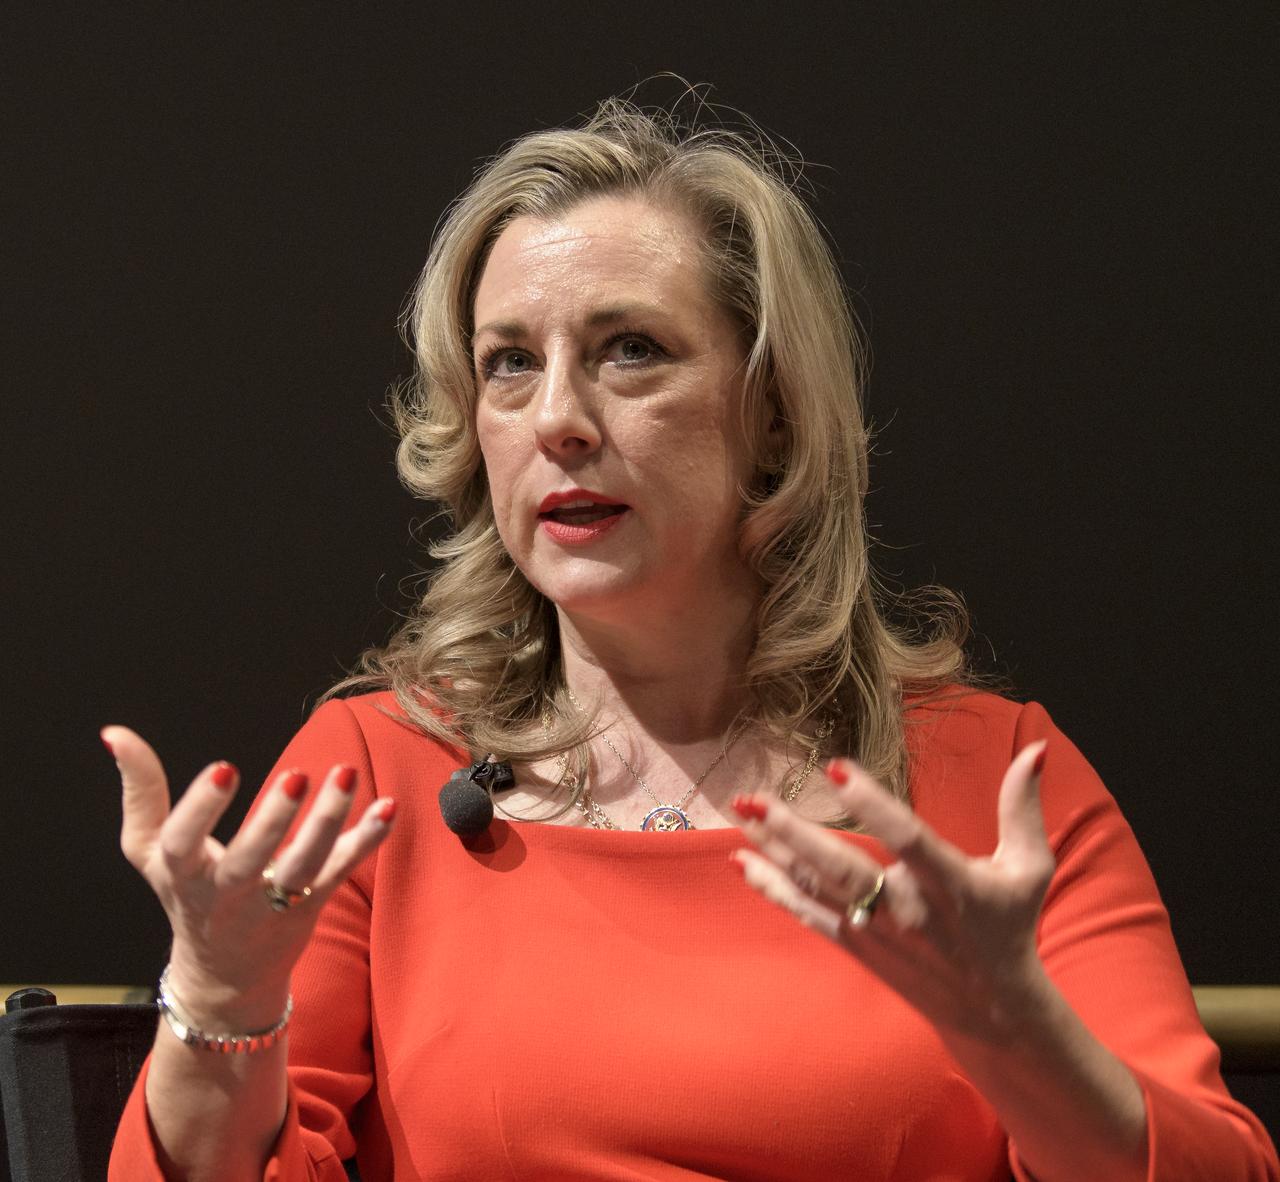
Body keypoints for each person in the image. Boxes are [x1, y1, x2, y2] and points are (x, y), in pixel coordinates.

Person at [106, 99, 1278, 1182]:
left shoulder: (993, 784)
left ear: (770, 409)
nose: (557, 419)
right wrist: (220, 1002)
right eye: (508, 363)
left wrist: (1015, 1037)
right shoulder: (372, 776)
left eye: (630, 350)